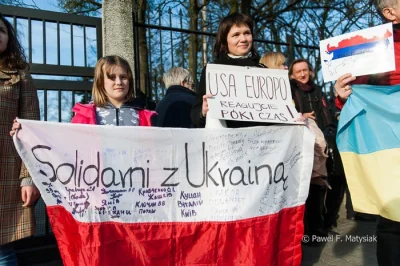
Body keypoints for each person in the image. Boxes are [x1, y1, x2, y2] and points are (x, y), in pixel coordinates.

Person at [334, 1, 400, 264]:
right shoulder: (371, 47)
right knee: (394, 220)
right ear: (389, 13)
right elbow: (353, 95)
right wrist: (341, 95)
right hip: (389, 145)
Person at [1, 14, 40, 265]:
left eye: (1, 31)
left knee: (2, 252)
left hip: (5, 172)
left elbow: (31, 128)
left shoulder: (20, 76)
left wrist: (28, 177)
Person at [190, 12, 265, 128]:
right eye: (236, 35)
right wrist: (203, 112)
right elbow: (195, 115)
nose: (243, 39)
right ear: (225, 40)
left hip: (263, 141)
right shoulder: (213, 71)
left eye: (247, 33)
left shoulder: (264, 71)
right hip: (229, 142)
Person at [70, 55, 156, 126]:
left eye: (123, 77)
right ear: (100, 81)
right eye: (112, 77)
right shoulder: (84, 115)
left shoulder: (145, 116)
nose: (119, 82)